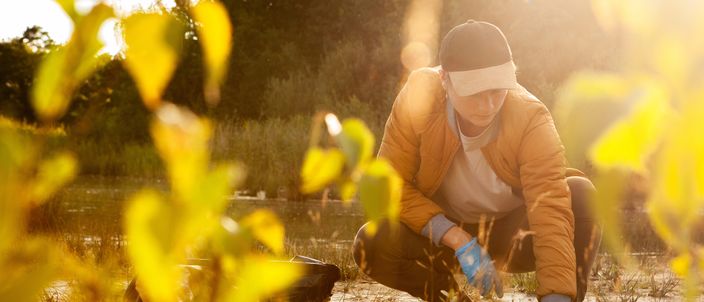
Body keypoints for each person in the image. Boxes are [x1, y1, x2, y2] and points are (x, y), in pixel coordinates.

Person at [352, 20, 601, 302]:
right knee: (371, 244)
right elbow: (390, 185)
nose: (488, 106)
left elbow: (550, 214)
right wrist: (458, 240)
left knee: (581, 195)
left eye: (497, 91)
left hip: (513, 235)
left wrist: (556, 295)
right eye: (475, 93)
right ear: (445, 80)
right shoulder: (419, 98)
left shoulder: (532, 119)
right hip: (445, 234)